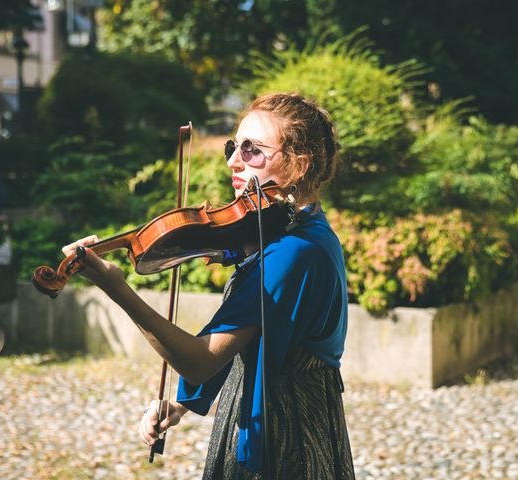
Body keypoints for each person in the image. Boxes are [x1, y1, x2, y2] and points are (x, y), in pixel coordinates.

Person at [62, 92, 355, 479]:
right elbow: (257, 338)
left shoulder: (292, 253)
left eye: (253, 150)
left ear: (299, 164)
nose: (233, 160)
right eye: (234, 146)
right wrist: (182, 404)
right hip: (290, 411)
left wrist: (115, 287)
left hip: (283, 434)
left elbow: (202, 361)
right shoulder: (302, 228)